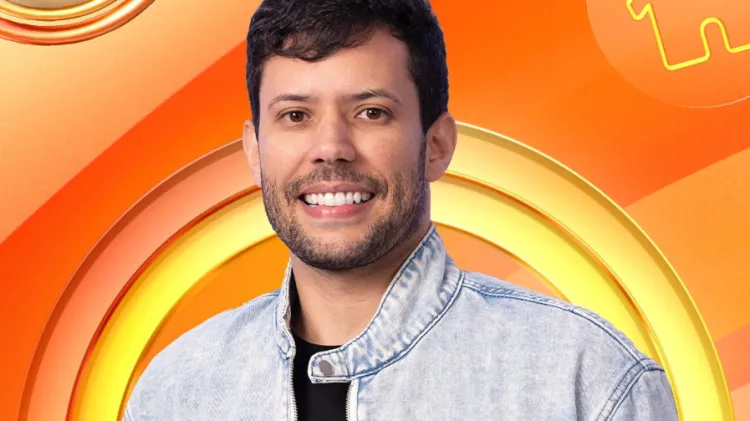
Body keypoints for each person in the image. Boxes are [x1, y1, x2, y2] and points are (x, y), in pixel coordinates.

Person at [123, 0, 680, 420]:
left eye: (370, 112)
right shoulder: (175, 391)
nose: (331, 147)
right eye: (295, 116)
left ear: (436, 146)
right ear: (254, 151)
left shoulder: (586, 380)